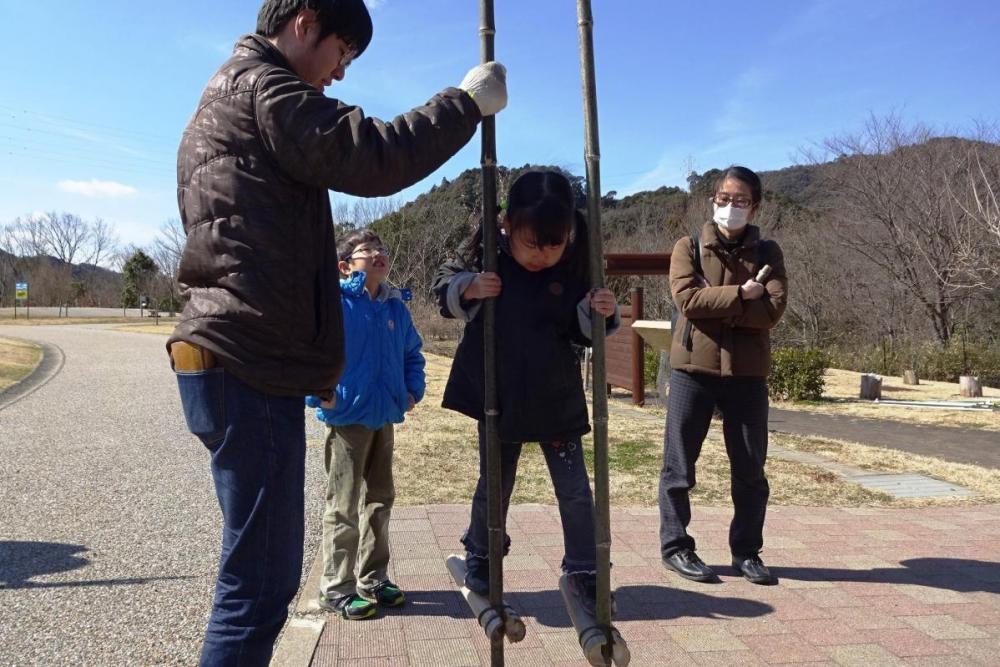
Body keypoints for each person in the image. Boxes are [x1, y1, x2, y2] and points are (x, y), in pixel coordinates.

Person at [168, 0, 507, 663]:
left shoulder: (227, 94)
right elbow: (369, 153)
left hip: (230, 355)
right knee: (256, 589)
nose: (340, 75)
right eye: (341, 54)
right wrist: (465, 105)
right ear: (303, 24)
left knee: (255, 579)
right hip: (248, 360)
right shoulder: (264, 87)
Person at [431, 170, 620, 614]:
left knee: (574, 489)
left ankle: (585, 568)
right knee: (496, 482)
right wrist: (470, 287)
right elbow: (443, 284)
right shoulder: (487, 256)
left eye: (553, 244)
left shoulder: (577, 263)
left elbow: (584, 332)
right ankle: (480, 556)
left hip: (554, 392)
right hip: (498, 394)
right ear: (507, 224)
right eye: (531, 243)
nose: (542, 254)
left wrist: (601, 312)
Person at [658, 165, 788, 585]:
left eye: (741, 200)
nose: (731, 207)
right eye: (724, 198)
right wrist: (741, 294)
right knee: (679, 467)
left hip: (748, 374)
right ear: (712, 199)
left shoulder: (769, 252)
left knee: (751, 469)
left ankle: (747, 552)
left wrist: (718, 302)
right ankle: (676, 547)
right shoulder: (689, 246)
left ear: (755, 205)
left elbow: (772, 310)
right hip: (692, 369)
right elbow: (686, 300)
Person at [305, 229, 424, 621]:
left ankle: (373, 578)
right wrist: (320, 394)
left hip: (384, 417)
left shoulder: (395, 308)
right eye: (365, 250)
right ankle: (335, 588)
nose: (377, 254)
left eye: (381, 248)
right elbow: (310, 349)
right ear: (345, 266)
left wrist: (411, 391)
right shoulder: (337, 304)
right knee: (342, 505)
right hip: (346, 419)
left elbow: (412, 354)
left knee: (380, 499)